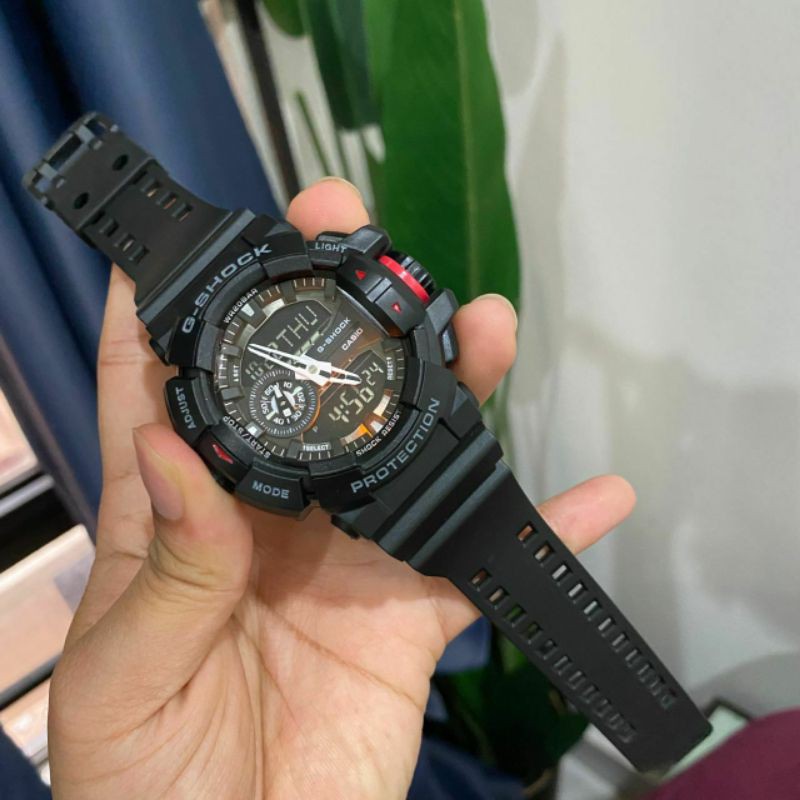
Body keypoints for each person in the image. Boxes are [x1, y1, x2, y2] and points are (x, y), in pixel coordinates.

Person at [48, 178, 636, 799]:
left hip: (419, 429)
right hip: (364, 473)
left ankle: (650, 718)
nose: (315, 375)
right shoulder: (229, 418)